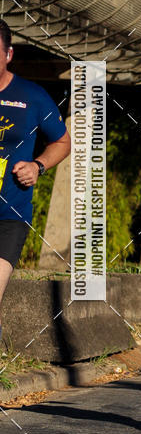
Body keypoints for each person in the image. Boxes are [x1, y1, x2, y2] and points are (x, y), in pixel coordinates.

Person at [0, 19, 71, 348]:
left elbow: (62, 142)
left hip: (9, 215)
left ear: (8, 54)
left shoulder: (32, 96)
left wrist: (38, 165)